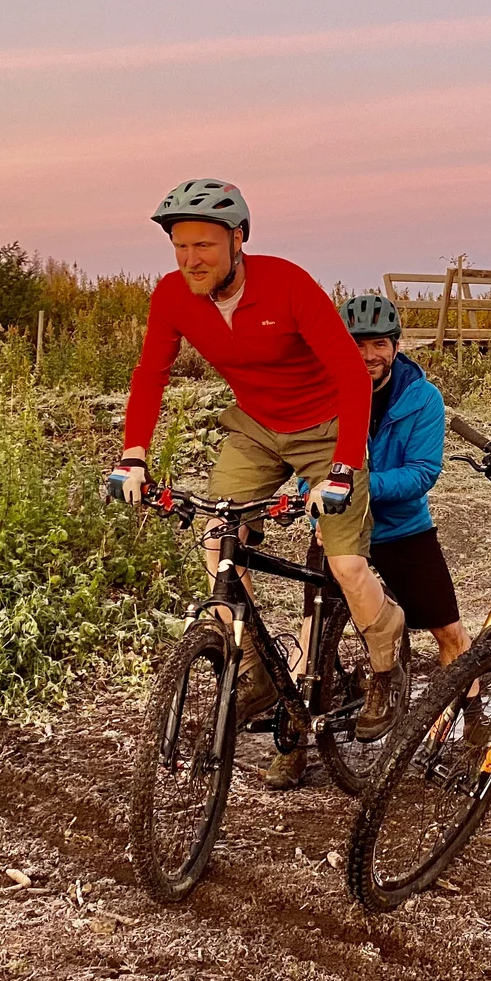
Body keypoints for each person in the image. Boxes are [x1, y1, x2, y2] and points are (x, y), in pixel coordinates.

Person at [108, 180, 406, 750]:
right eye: (180, 246)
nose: (190, 259)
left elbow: (350, 374)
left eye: (204, 245)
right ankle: (256, 672)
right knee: (216, 541)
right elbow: (151, 374)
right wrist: (133, 455)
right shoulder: (171, 296)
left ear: (237, 239)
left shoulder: (287, 284)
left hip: (326, 428)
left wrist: (343, 467)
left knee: (346, 565)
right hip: (256, 428)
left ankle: (385, 659)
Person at [264, 292, 472, 789]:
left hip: (403, 528)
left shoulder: (422, 398)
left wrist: (354, 487)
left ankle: (471, 728)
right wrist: (310, 492)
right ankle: (296, 743)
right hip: (339, 528)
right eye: (357, 345)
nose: (368, 355)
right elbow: (306, 464)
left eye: (379, 343)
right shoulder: (324, 394)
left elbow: (422, 473)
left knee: (448, 631)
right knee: (312, 638)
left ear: (396, 345)